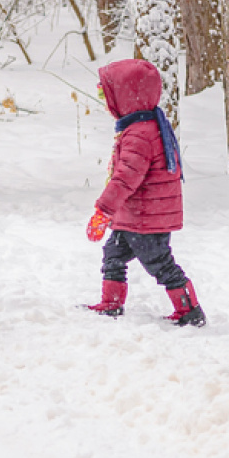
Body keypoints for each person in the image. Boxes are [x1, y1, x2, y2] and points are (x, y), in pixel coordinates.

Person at [84, 58, 206, 326]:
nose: (106, 104)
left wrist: (103, 210)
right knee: (113, 254)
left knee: (160, 264)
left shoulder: (140, 134)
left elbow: (125, 178)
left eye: (109, 96)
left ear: (126, 97)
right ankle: (111, 303)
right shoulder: (143, 127)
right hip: (136, 217)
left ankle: (190, 309)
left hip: (145, 220)